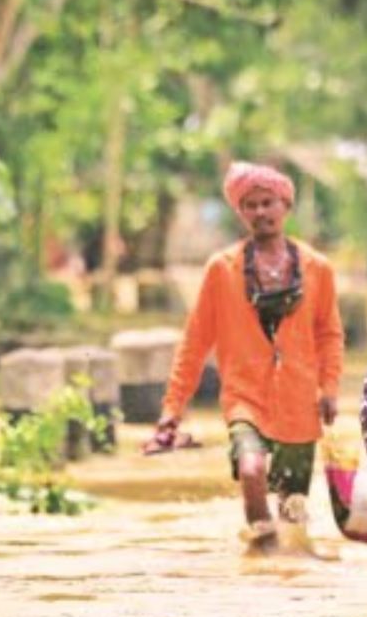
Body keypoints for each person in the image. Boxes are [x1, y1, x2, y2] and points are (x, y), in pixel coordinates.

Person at [144, 161, 345, 552]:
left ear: (285, 206)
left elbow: (329, 333)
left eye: (267, 202)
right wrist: (172, 409)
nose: (260, 212)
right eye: (250, 205)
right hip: (244, 396)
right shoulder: (222, 269)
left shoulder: (317, 268)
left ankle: (285, 576)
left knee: (294, 508)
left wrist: (330, 387)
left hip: (299, 399)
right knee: (251, 469)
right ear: (240, 212)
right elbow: (195, 341)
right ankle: (261, 545)